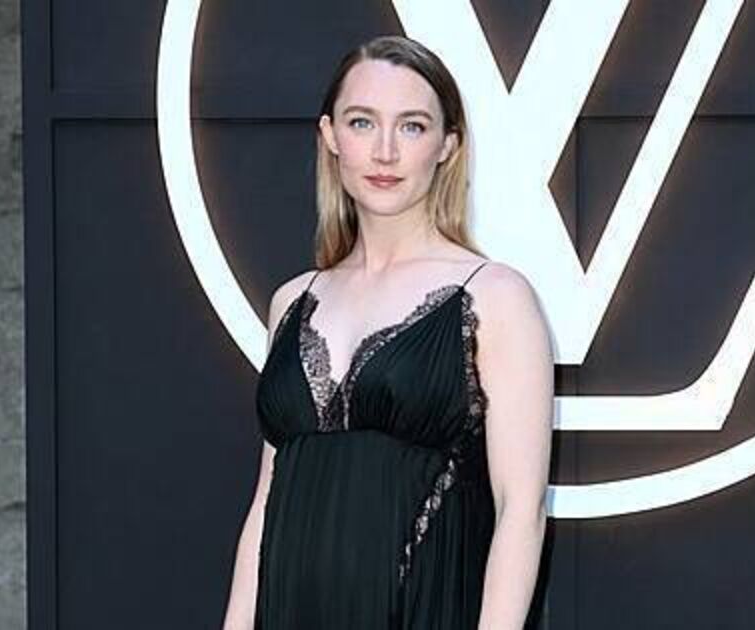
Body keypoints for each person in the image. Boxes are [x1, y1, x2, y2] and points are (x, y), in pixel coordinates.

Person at [221, 35, 554, 629]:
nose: (384, 151)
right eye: (362, 122)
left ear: (448, 145)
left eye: (412, 127)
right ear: (330, 136)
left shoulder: (497, 297)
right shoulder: (292, 302)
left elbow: (520, 511)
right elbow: (267, 504)